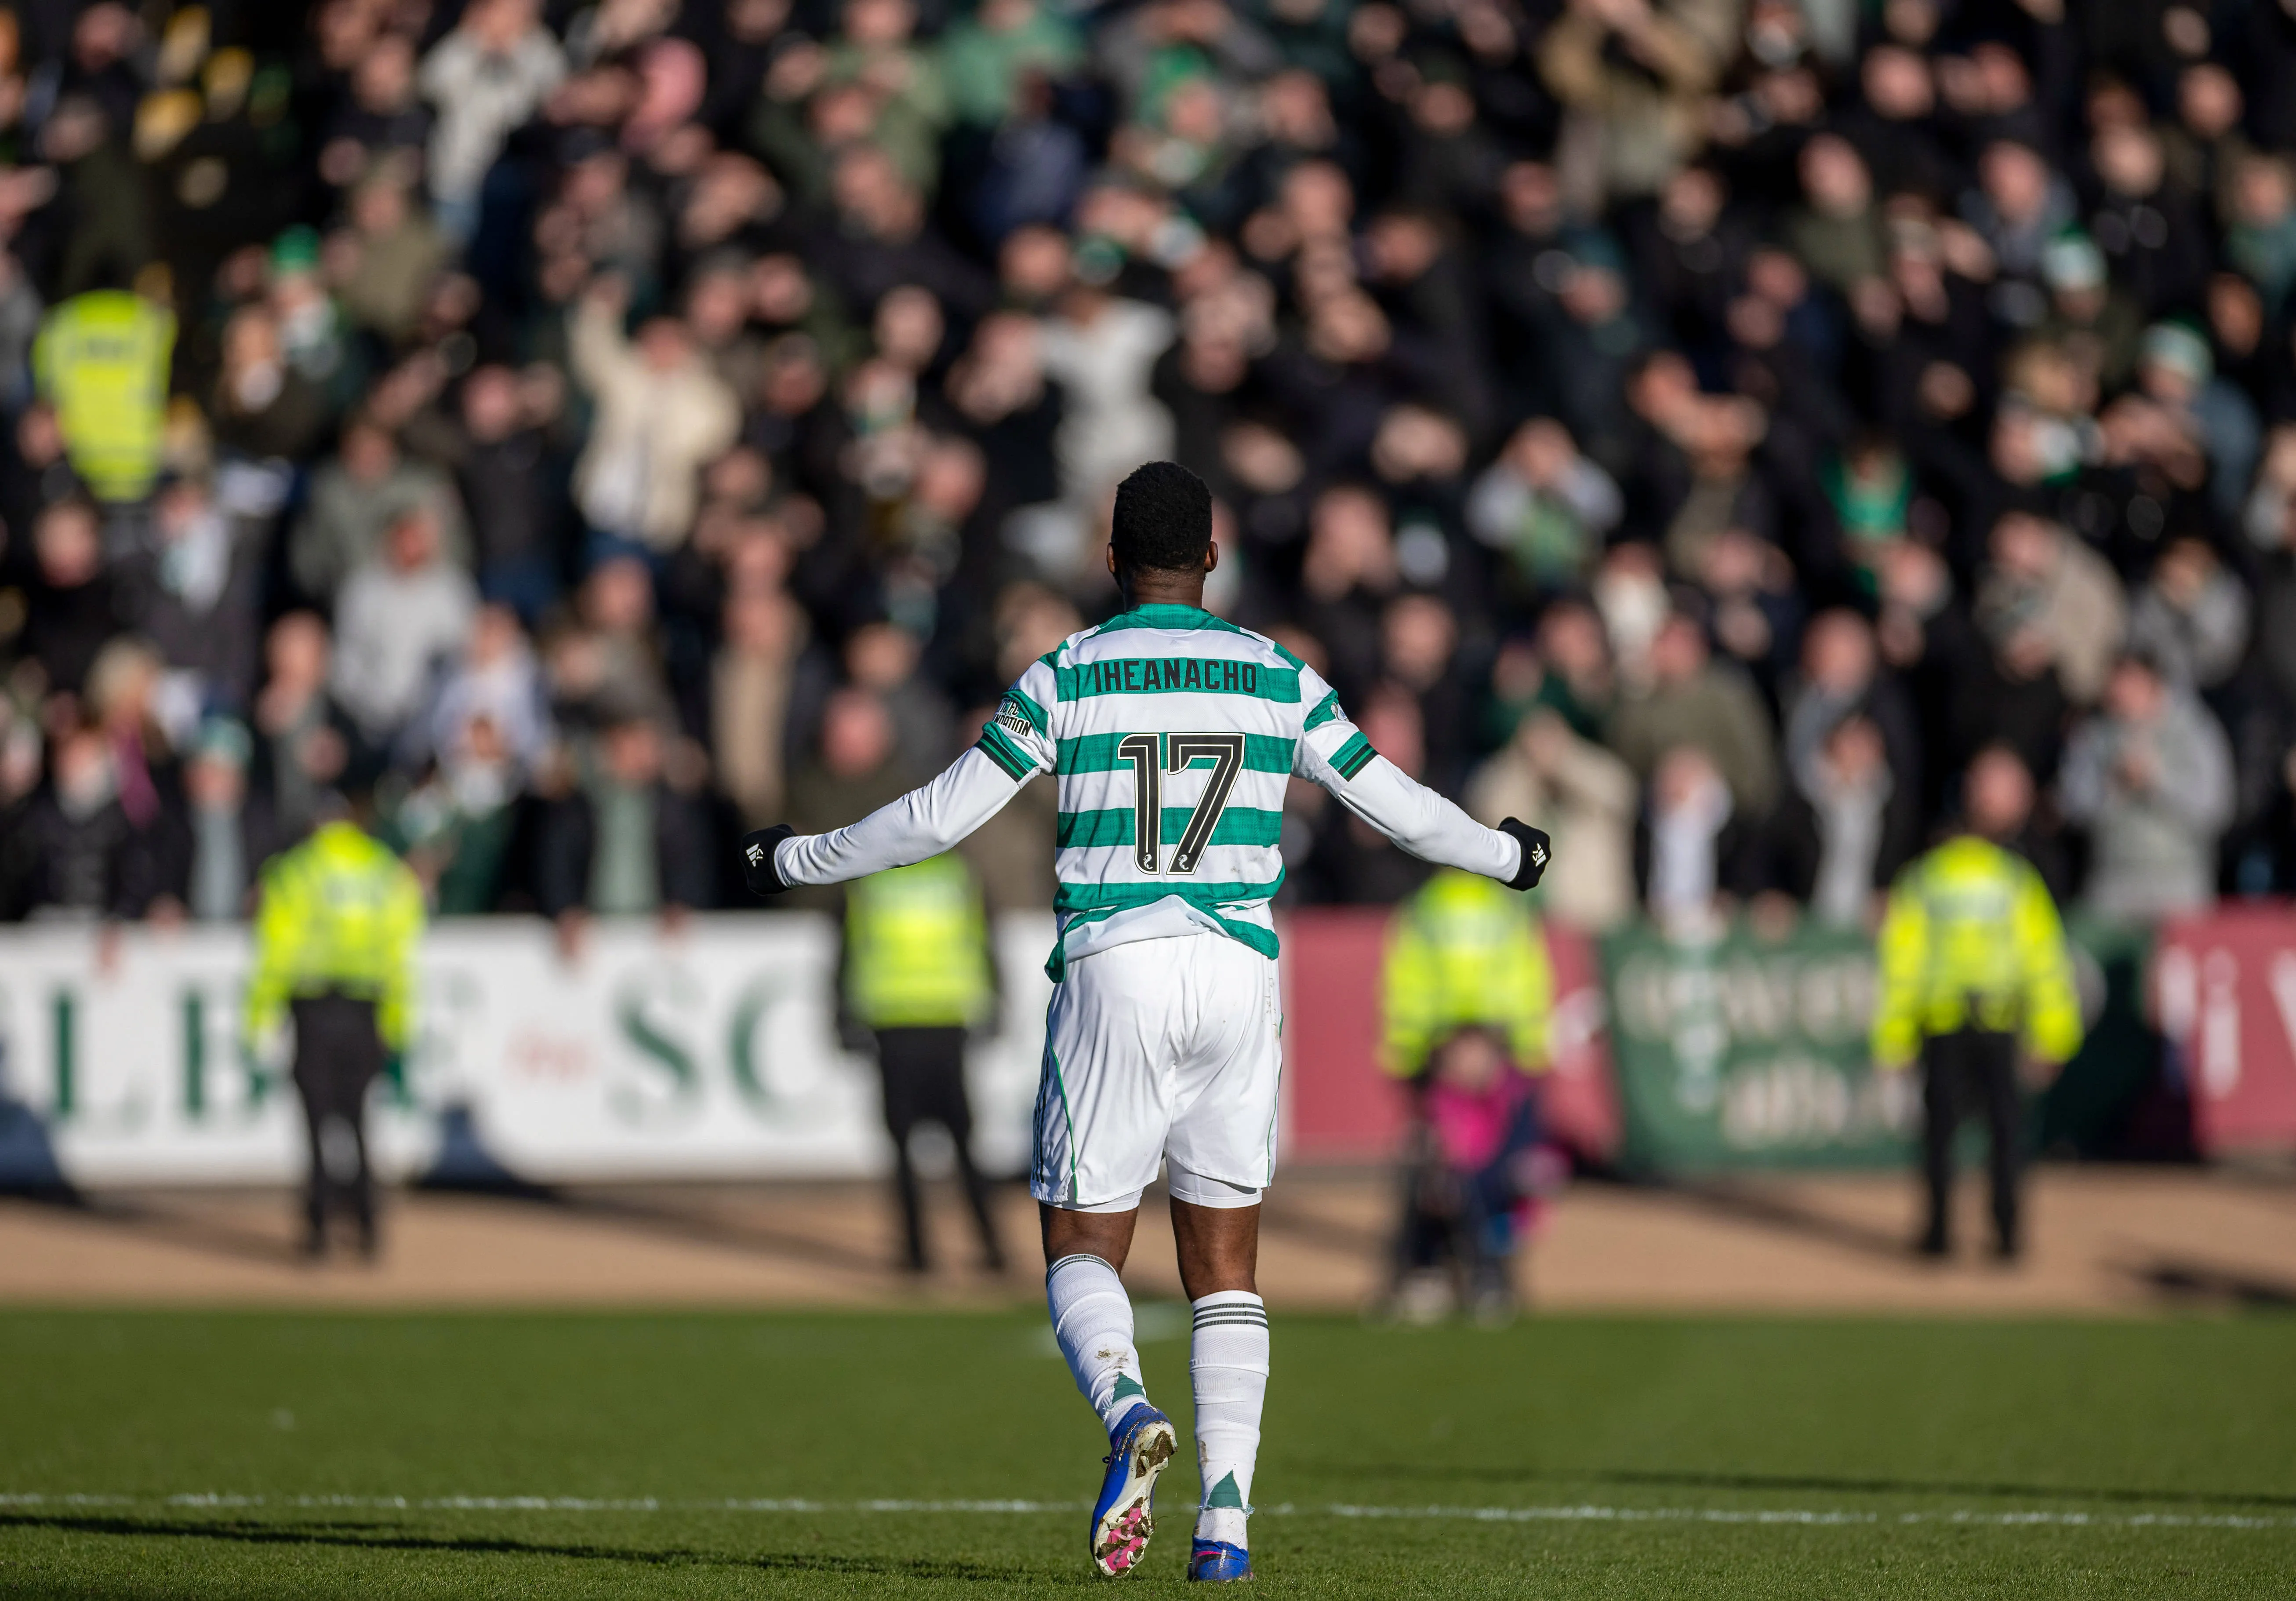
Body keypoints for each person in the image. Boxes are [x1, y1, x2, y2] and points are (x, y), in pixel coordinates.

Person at [740, 462, 1550, 1582]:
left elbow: (937, 818)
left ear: (1110, 561)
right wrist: (1511, 854)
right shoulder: (1275, 672)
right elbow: (1390, 803)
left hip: (1115, 963)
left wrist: (796, 855)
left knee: (1081, 1244)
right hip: (1234, 971)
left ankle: (1128, 1412)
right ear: (1213, 559)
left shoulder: (1069, 671)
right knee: (1226, 1268)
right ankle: (1226, 1523)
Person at [1871, 750, 2084, 1262]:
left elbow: (1902, 965)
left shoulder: (1925, 881)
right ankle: (2007, 1236)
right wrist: (2053, 1035)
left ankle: (1939, 1235)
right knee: (2005, 1137)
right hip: (1998, 1022)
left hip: (1943, 1023)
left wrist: (1893, 1038)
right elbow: (2045, 963)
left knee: (1939, 1138)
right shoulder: (2014, 881)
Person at [243, 799, 425, 1259]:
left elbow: (275, 949)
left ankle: (320, 1227)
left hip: (313, 1007)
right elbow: (402, 953)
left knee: (316, 1122)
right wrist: (398, 1023)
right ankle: (368, 1226)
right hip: (366, 1007)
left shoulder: (296, 870)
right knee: (360, 1120)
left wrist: (259, 1018)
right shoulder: (384, 871)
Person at [1378, 868, 1555, 1321]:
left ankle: (1431, 1271)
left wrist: (1415, 1055)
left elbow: (1406, 982)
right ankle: (1480, 1274)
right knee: (1479, 1172)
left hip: (1445, 1059)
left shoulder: (1425, 906)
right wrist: (1515, 1051)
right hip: (1491, 1059)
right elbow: (1528, 979)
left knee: (1443, 1170)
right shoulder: (1507, 906)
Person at [840, 851, 1007, 1274]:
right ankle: (993, 1252)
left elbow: (846, 949)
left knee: (902, 1148)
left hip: (892, 1022)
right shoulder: (957, 872)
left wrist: (842, 1018)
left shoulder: (870, 876)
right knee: (966, 1145)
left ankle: (916, 1256)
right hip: (948, 1019)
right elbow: (985, 939)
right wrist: (995, 1004)